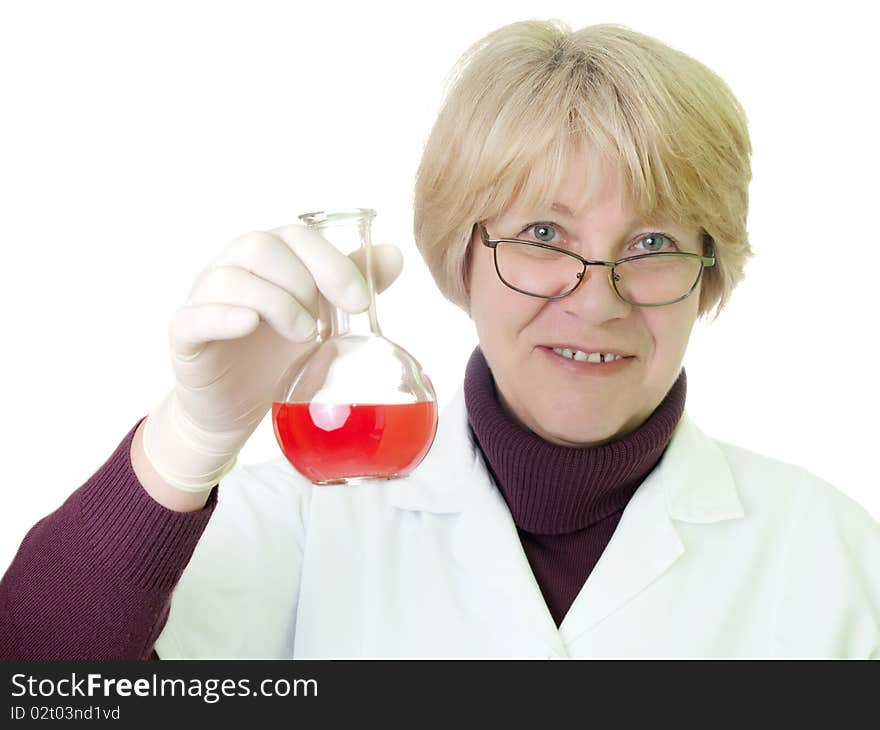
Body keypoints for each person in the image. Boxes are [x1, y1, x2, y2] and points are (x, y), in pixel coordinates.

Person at [1, 19, 878, 660]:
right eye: (543, 234)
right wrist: (185, 446)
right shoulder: (310, 523)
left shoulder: (831, 554)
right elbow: (37, 677)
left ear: (710, 270)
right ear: (462, 252)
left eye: (652, 245)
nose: (599, 299)